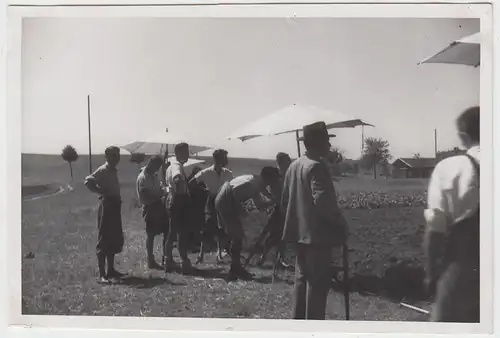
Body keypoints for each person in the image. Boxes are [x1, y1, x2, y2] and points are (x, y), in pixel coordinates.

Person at [281, 121, 348, 320]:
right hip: (317, 237)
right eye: (326, 141)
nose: (329, 145)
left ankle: (298, 327)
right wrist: (340, 224)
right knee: (317, 286)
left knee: (302, 282)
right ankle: (314, 328)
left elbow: (285, 200)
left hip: (298, 235)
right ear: (318, 143)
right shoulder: (316, 167)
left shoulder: (294, 166)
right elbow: (323, 203)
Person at [424, 106, 480, 322]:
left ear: (463, 136)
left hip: (465, 269)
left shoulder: (451, 167)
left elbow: (435, 229)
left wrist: (431, 273)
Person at [215, 167, 280, 281]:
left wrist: (273, 200)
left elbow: (260, 205)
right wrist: (239, 210)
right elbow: (235, 194)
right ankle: (235, 269)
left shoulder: (256, 182)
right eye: (273, 180)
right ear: (268, 178)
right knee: (237, 235)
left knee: (237, 235)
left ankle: (236, 267)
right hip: (226, 199)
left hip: (226, 198)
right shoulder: (251, 184)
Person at [84, 146, 126, 284]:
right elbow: (88, 181)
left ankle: (111, 270)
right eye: (113, 155)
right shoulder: (103, 169)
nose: (117, 158)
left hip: (115, 206)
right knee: (104, 238)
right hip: (107, 205)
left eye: (118, 155)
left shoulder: (114, 170)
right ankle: (102, 274)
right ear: (107, 156)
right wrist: (100, 192)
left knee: (114, 237)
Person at [188, 149, 234, 264]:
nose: (227, 160)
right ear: (218, 159)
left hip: (224, 202)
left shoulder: (228, 173)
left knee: (221, 228)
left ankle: (219, 254)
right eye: (224, 158)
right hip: (212, 200)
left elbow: (232, 187)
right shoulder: (206, 172)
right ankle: (201, 255)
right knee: (208, 227)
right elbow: (191, 184)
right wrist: (204, 191)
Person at [255, 152, 293, 267]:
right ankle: (262, 257)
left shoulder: (290, 174)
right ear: (280, 162)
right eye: (286, 161)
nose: (289, 162)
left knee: (283, 235)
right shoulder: (273, 173)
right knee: (272, 235)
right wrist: (271, 198)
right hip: (276, 208)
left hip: (286, 208)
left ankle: (280, 259)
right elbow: (260, 186)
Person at [164, 142, 193, 274]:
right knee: (180, 232)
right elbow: (177, 179)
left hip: (173, 199)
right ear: (179, 153)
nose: (188, 155)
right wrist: (183, 194)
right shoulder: (176, 166)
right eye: (186, 152)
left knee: (173, 232)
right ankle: (182, 261)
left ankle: (168, 259)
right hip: (178, 200)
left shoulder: (172, 165)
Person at [136, 155, 169, 270]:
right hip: (149, 207)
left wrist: (164, 190)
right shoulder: (142, 177)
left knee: (166, 231)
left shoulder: (155, 176)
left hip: (159, 206)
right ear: (150, 163)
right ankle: (150, 260)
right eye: (156, 166)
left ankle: (166, 257)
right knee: (151, 235)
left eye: (159, 167)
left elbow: (159, 189)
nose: (157, 169)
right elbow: (145, 194)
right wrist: (160, 194)